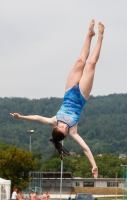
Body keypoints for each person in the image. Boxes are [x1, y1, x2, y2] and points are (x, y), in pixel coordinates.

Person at [10, 19, 105, 179]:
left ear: (56, 127)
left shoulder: (54, 120)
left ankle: (89, 34)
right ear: (67, 133)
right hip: (81, 95)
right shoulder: (73, 131)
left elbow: (38, 118)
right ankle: (100, 36)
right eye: (64, 129)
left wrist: (21, 117)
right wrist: (94, 165)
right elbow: (85, 148)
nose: (64, 126)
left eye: (61, 127)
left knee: (80, 61)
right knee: (91, 64)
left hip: (69, 91)